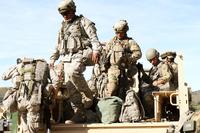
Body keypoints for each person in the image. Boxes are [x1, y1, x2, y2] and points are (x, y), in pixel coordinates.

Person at [50, 0, 102, 124]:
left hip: (82, 53)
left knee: (74, 71)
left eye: (67, 13)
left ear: (73, 10)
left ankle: (88, 95)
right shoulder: (62, 26)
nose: (65, 16)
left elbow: (94, 39)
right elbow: (58, 45)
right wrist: (52, 58)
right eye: (62, 14)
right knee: (69, 85)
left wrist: (96, 50)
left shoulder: (83, 22)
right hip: (67, 57)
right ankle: (79, 113)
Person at [104, 20, 142, 99]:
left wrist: (128, 58)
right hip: (113, 70)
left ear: (125, 31)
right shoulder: (112, 41)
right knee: (111, 90)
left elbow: (138, 54)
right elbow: (105, 53)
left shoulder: (130, 42)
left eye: (121, 32)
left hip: (127, 71)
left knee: (129, 93)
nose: (119, 34)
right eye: (117, 33)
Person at [138, 48, 173, 118]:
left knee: (147, 95)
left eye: (153, 59)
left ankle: (153, 115)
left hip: (162, 88)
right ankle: (146, 114)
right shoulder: (153, 68)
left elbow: (168, 75)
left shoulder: (163, 65)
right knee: (140, 92)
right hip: (155, 88)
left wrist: (158, 82)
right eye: (150, 61)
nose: (152, 62)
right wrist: (142, 71)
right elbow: (150, 81)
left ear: (157, 56)